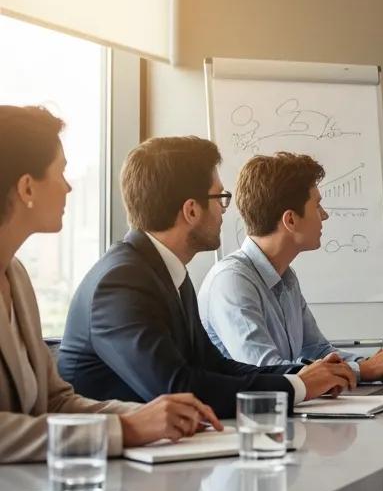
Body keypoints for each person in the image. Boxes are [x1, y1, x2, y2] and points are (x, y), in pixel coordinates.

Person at [59, 137, 356, 418]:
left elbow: (214, 366)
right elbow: (178, 387)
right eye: (220, 198)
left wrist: (300, 376)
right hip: (108, 464)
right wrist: (299, 386)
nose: (225, 211)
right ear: (191, 210)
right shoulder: (121, 282)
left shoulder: (166, 271)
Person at [0, 106, 222, 462]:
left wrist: (144, 416)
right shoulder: (121, 278)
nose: (68, 186)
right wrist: (128, 429)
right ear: (27, 186)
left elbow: (56, 402)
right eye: (61, 172)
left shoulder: (17, 277)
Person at [198, 151, 383, 376]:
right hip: (246, 411)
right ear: (291, 220)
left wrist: (379, 362)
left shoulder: (286, 277)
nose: (324, 215)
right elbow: (266, 371)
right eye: (317, 205)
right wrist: (363, 369)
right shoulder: (231, 281)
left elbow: (317, 350)